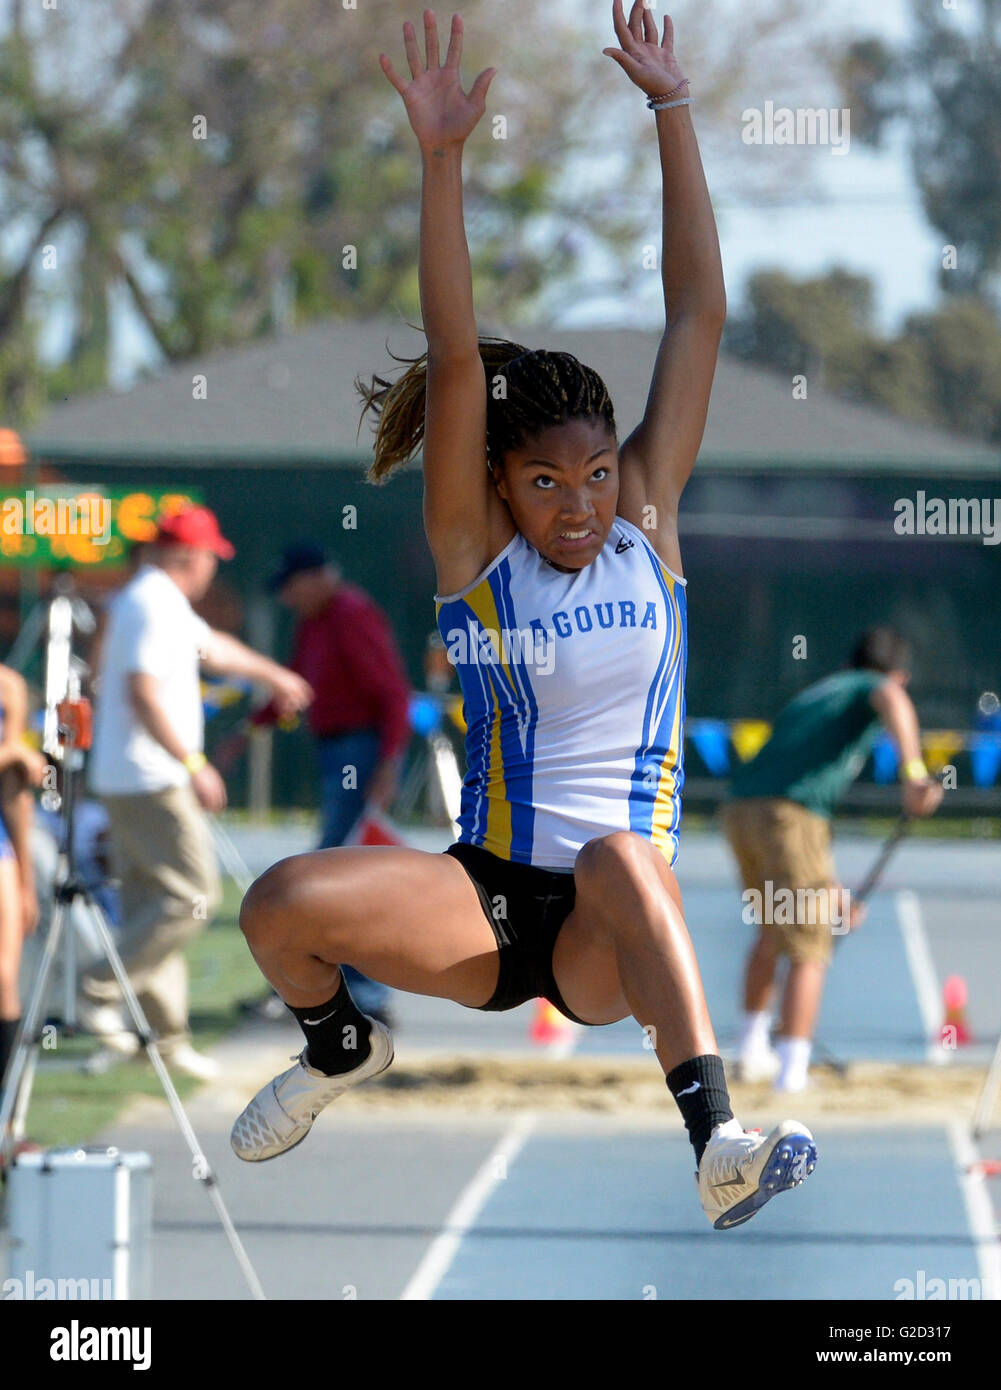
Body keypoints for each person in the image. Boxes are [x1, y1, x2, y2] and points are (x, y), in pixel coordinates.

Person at [230, 3, 817, 1231]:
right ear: (498, 481)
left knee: (615, 854)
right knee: (276, 903)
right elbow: (455, 361)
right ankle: (338, 1050)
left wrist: (671, 109)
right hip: (486, 898)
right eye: (545, 483)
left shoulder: (648, 528)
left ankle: (715, 1140)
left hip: (610, 928)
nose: (578, 506)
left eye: (595, 474)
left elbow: (694, 316)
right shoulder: (474, 557)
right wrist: (441, 161)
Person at [82, 505, 312, 1078]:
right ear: (191, 557)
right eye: (211, 557)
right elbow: (142, 690)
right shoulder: (150, 604)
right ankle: (96, 990)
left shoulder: (154, 600)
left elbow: (215, 650)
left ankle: (166, 1039)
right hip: (153, 778)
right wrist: (192, 763)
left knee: (150, 903)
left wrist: (274, 676)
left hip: (129, 776)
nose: (213, 568)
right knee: (192, 897)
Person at [722, 626, 944, 1092]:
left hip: (742, 812)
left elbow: (804, 835)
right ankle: (792, 1072)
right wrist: (914, 775)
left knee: (774, 927)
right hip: (788, 816)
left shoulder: (818, 693)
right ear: (898, 675)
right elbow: (890, 699)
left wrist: (833, 892)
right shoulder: (875, 686)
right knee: (810, 946)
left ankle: (751, 1051)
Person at [258, 542, 412, 1023]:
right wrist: (262, 716)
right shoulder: (315, 622)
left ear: (316, 577)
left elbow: (393, 695)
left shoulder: (351, 615)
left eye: (290, 587)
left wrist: (387, 766)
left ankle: (364, 994)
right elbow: (304, 680)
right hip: (337, 753)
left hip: (362, 754)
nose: (287, 599)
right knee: (332, 868)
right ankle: (332, 986)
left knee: (336, 872)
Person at [0, 664, 46, 1108]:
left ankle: (7, 1118)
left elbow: (15, 792)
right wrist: (11, 752)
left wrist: (25, 879)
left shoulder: (9, 685)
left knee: (3, 977)